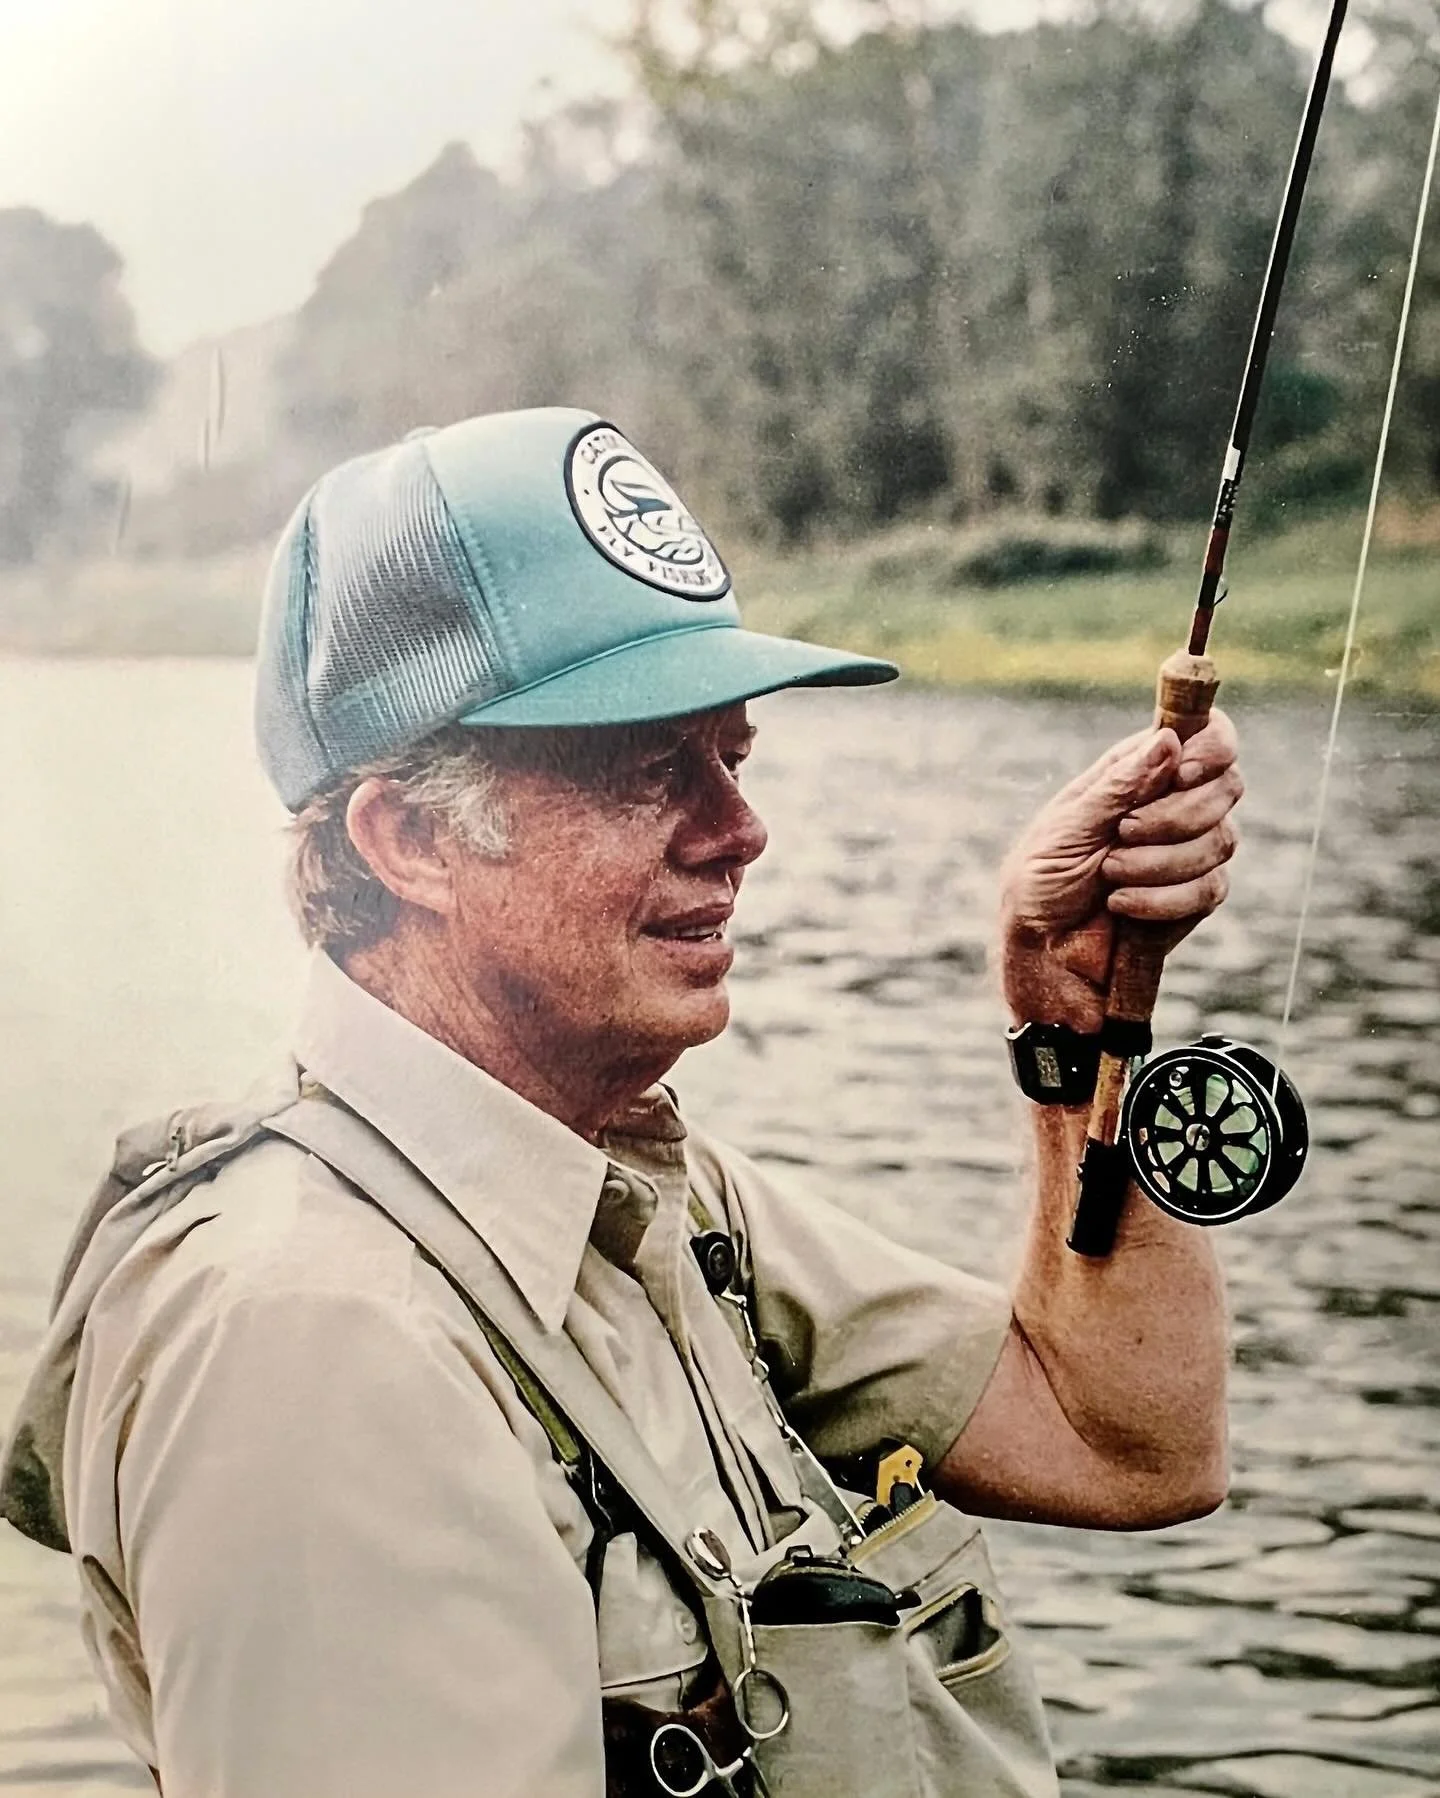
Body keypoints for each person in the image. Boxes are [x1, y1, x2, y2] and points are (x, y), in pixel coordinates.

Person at [3, 408, 1241, 1798]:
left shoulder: (645, 1189)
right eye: (653, 768)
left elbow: (1127, 1438)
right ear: (407, 838)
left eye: (734, 755)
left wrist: (1078, 1020)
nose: (739, 828)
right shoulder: (313, 1336)